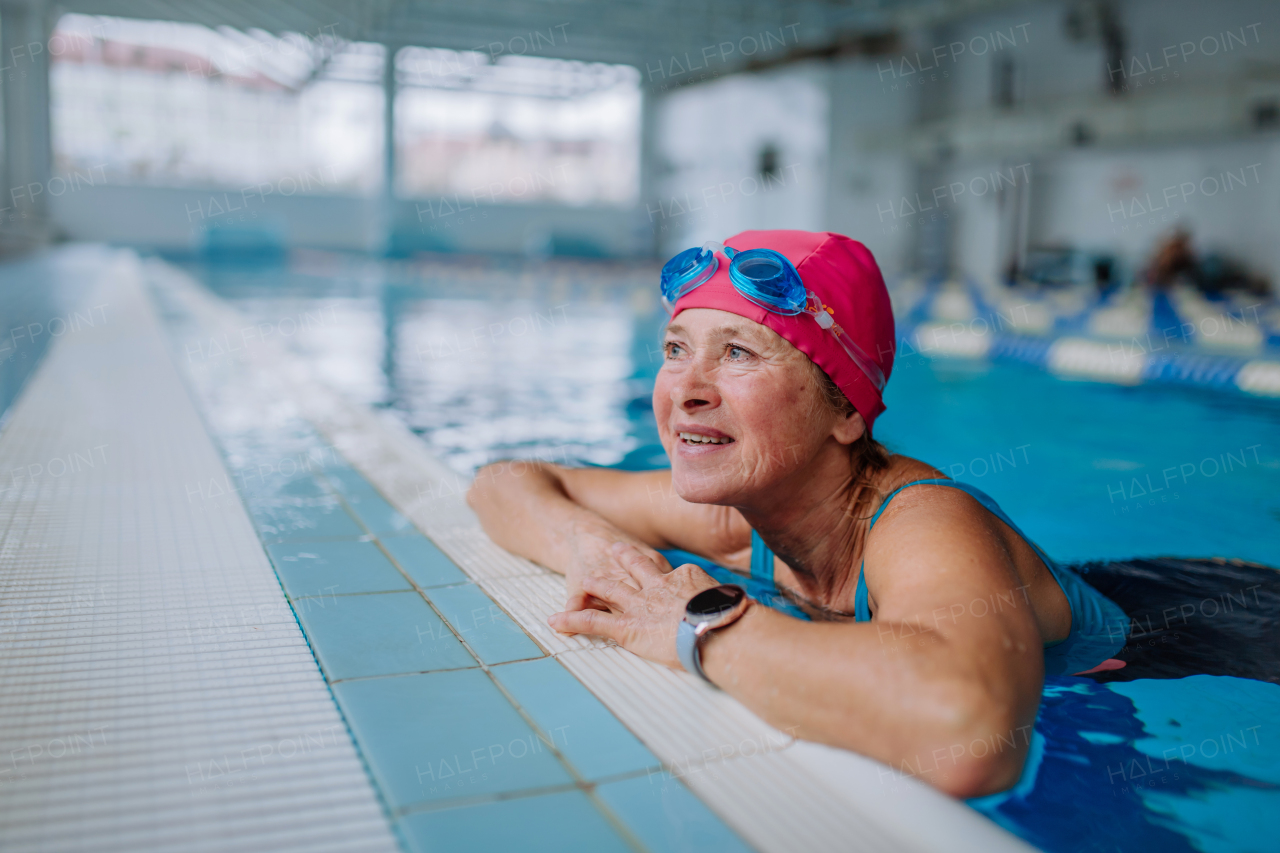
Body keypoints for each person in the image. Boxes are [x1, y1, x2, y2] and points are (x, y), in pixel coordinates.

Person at [467, 230, 1127, 798]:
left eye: (737, 353)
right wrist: (590, 542)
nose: (686, 391)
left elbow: (970, 734)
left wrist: (699, 627)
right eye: (676, 349)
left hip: (1175, 631)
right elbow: (501, 483)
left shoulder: (926, 521)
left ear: (844, 412)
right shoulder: (734, 513)